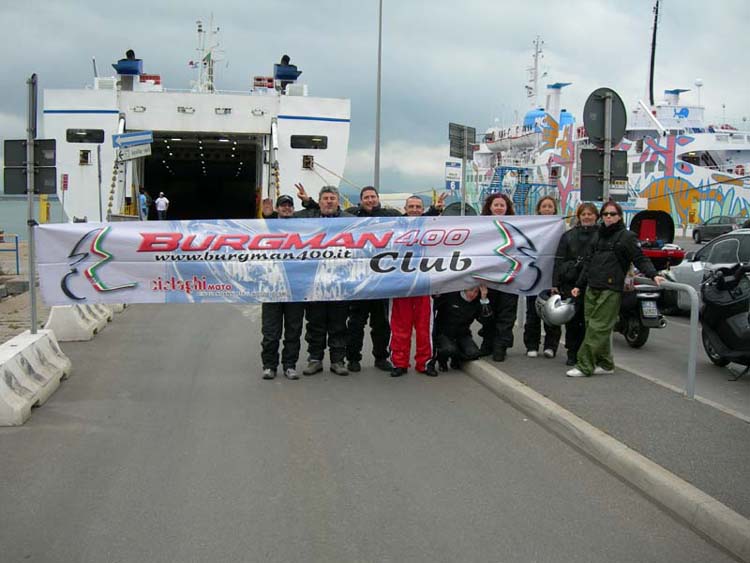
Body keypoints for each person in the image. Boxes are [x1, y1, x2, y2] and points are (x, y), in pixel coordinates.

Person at [567, 201, 665, 377]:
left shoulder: (627, 237)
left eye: (612, 214)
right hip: (592, 286)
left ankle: (584, 365)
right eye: (605, 214)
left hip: (611, 288)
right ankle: (605, 364)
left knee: (598, 327)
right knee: (593, 327)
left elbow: (639, 257)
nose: (608, 217)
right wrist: (578, 285)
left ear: (619, 216)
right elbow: (588, 263)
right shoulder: (598, 236)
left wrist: (653, 274)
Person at [294, 185, 354, 376]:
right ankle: (315, 359)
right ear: (319, 202)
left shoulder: (352, 220)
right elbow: (280, 222)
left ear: (338, 201)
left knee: (338, 324)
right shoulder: (306, 218)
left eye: (332, 198)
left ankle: (338, 360)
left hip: (339, 282)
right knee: (315, 323)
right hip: (314, 283)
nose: (329, 201)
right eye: (325, 198)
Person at [342, 186, 401, 373]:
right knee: (355, 324)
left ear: (378, 198)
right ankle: (352, 358)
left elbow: (413, 221)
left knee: (381, 324)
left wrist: (434, 211)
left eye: (372, 197)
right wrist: (309, 202)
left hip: (382, 280)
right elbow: (329, 215)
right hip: (358, 279)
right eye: (366, 197)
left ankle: (381, 357)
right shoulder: (350, 215)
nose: (370, 200)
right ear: (361, 200)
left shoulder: (390, 214)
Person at [388, 195, 441, 378]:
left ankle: (425, 363)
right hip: (400, 286)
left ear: (423, 208)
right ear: (405, 208)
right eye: (411, 206)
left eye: (418, 207)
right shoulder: (396, 227)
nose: (415, 210)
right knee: (399, 328)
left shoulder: (430, 226)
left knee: (424, 327)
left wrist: (434, 211)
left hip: (424, 285)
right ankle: (399, 363)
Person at [259, 195, 305, 380]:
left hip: (295, 289)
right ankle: (269, 366)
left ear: (293, 209)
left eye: (289, 205)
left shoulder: (303, 227)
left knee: (293, 331)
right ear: (277, 208)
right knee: (270, 332)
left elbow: (325, 214)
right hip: (272, 288)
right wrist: (267, 216)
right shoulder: (267, 226)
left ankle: (290, 365)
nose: (286, 208)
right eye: (283, 206)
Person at [552, 202, 599, 365]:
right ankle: (572, 353)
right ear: (579, 217)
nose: (587, 217)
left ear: (596, 216)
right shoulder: (568, 236)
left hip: (593, 283)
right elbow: (558, 260)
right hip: (570, 284)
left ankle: (589, 354)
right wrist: (555, 283)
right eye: (584, 214)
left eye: (590, 214)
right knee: (572, 321)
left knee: (591, 322)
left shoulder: (601, 235)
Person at [478, 193, 519, 361]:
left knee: (507, 313)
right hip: (488, 276)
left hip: (510, 276)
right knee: (488, 312)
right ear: (490, 207)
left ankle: (501, 346)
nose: (499, 208)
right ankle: (488, 342)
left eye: (502, 205)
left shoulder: (518, 226)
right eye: (496, 205)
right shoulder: (480, 227)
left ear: (507, 208)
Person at [523, 196, 562, 359]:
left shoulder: (560, 227)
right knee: (532, 313)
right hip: (534, 277)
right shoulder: (531, 228)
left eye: (550, 206)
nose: (547, 209)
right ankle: (531, 345)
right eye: (544, 206)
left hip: (551, 277)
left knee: (551, 314)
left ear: (554, 209)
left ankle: (551, 346)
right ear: (539, 209)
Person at [433, 285, 492, 370]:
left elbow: (486, 321)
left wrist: (484, 300)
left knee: (474, 353)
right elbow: (434, 307)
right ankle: (442, 360)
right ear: (464, 289)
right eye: (470, 290)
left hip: (462, 334)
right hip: (444, 333)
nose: (473, 294)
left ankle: (456, 358)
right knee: (449, 349)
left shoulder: (476, 302)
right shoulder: (451, 295)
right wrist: (437, 296)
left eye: (476, 292)